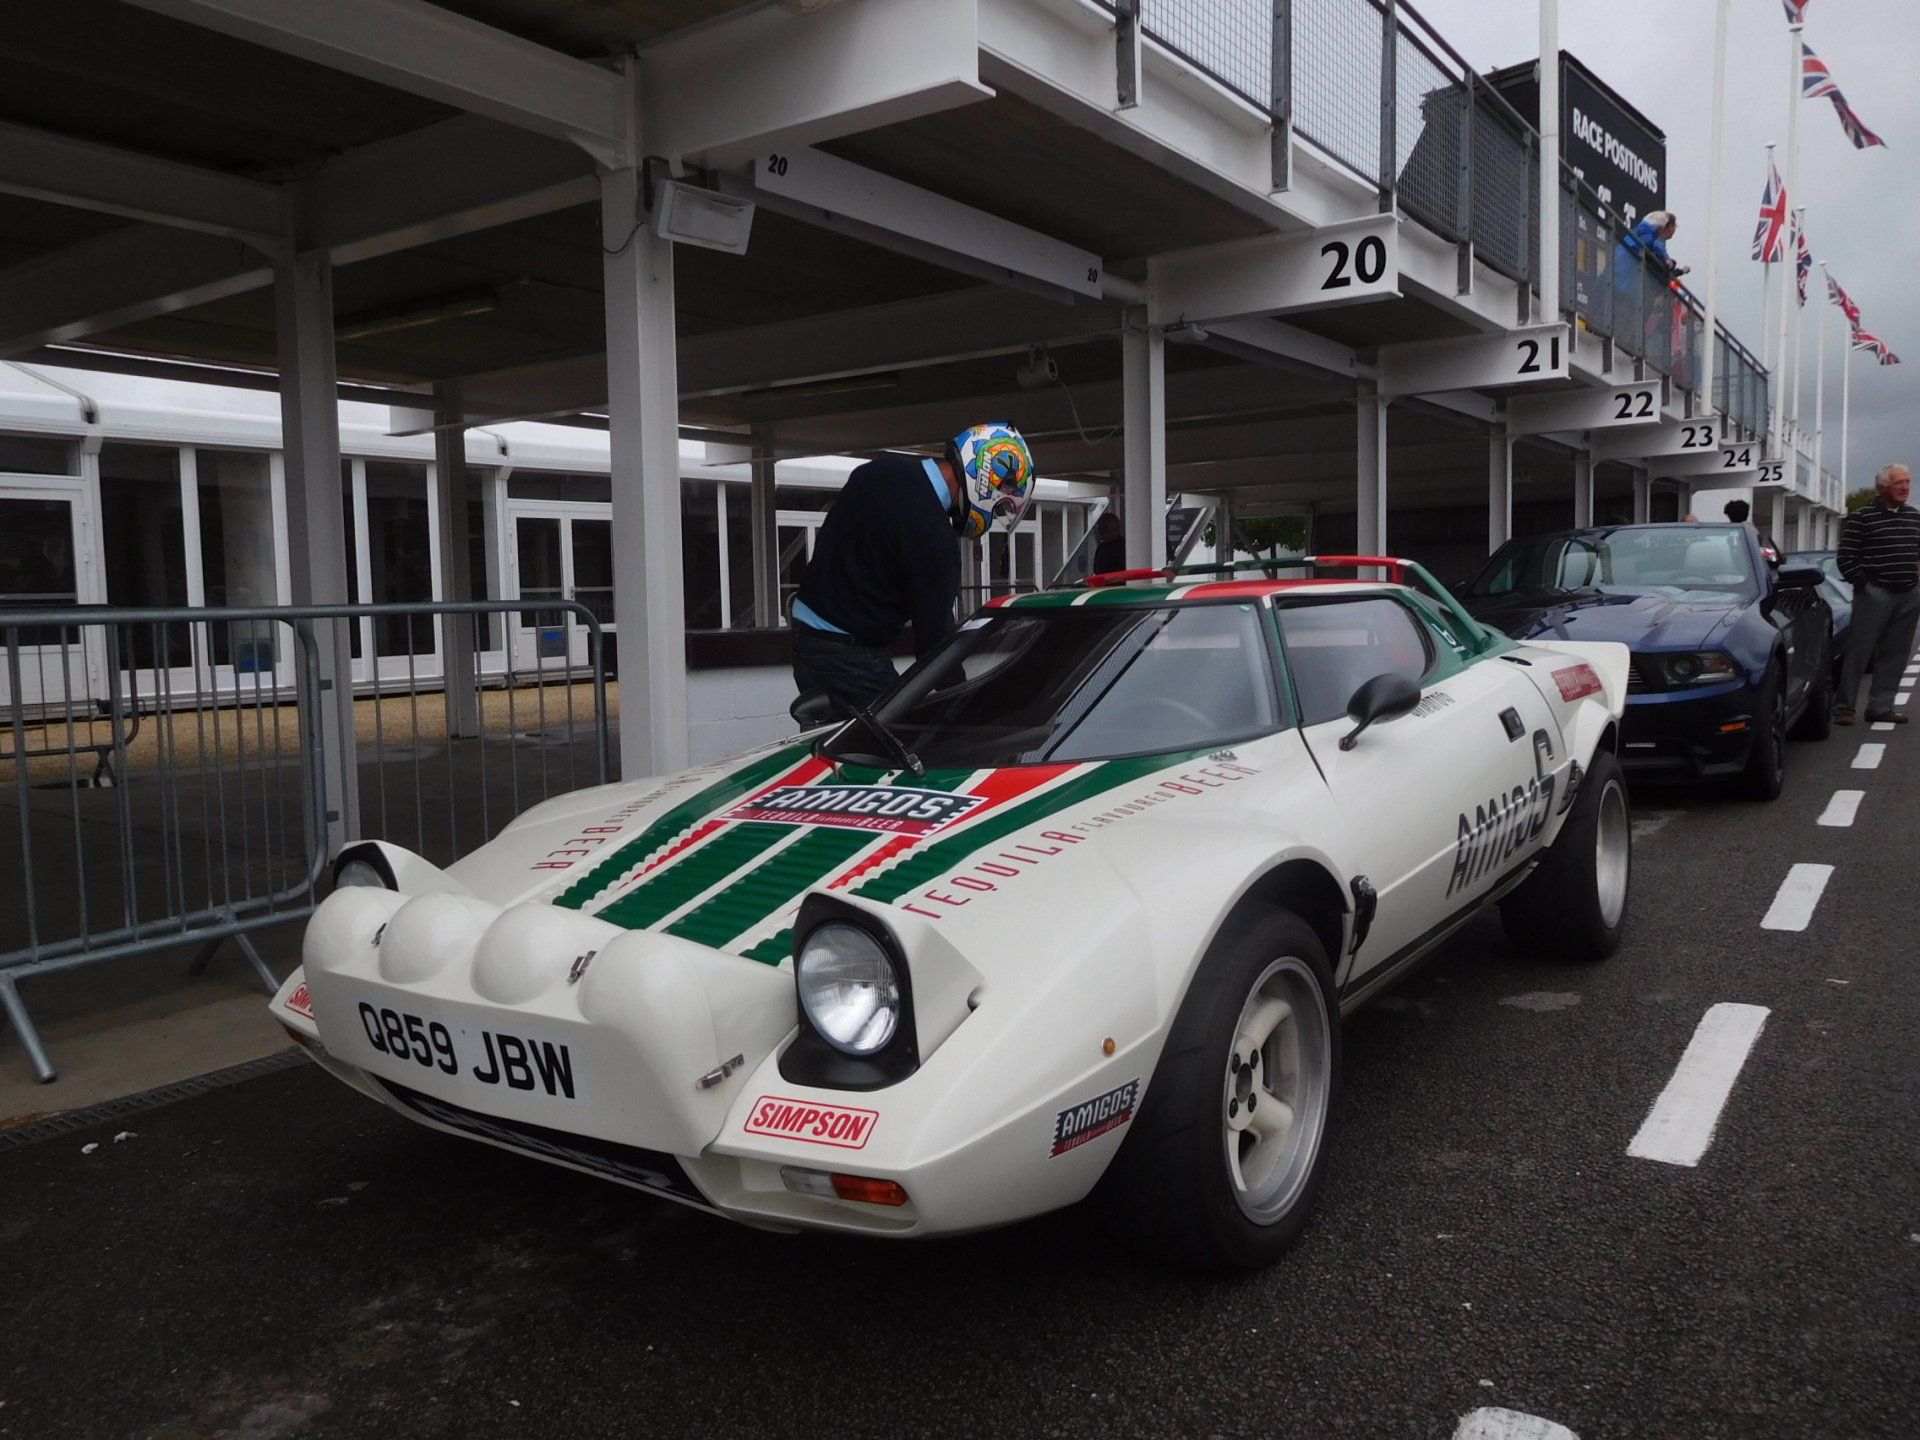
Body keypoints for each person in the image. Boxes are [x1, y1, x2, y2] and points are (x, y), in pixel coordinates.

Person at [790, 422, 1035, 719]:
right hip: (849, 654)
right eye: (998, 508)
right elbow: (935, 647)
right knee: (898, 750)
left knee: (835, 751)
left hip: (805, 640)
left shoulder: (882, 470)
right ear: (987, 480)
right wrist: (965, 703)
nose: (993, 515)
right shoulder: (933, 538)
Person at [1833, 462, 1920, 726]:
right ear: (1882, 487)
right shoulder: (1862, 518)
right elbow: (1846, 557)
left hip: (1908, 593)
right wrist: (1863, 585)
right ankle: (1844, 709)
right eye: (1898, 482)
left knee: (1896, 653)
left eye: (1907, 482)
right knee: (1860, 651)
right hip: (1874, 593)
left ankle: (1881, 707)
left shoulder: (1915, 517)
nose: (1905, 487)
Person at [1090, 510, 1126, 576]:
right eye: (1100, 526)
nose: (1101, 530)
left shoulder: (1125, 547)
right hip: (1102, 585)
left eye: (1105, 527)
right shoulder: (1101, 548)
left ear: (1115, 528)